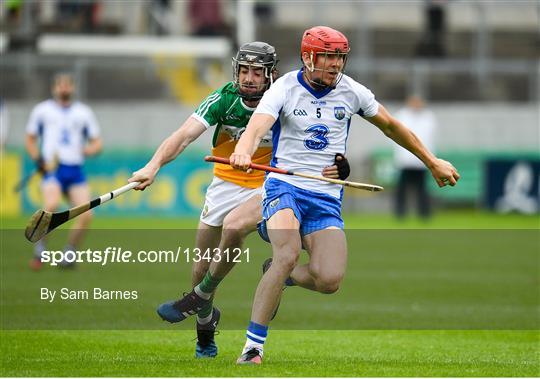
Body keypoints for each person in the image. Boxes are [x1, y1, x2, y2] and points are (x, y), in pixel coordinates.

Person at [227, 26, 460, 364]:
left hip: (325, 197)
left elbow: (392, 126)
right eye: (328, 56)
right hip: (284, 187)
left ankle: (277, 275)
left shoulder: (352, 92)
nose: (336, 64)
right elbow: (257, 127)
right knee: (288, 253)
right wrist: (244, 150)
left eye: (339, 57)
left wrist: (432, 161)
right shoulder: (284, 88)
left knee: (329, 279)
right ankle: (253, 348)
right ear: (308, 57)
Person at [127, 41, 350, 358]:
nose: (248, 78)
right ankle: (205, 328)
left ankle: (237, 288)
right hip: (224, 183)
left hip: (270, 184)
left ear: (270, 75)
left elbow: (321, 136)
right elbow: (184, 135)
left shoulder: (288, 97)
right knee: (202, 263)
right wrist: (153, 166)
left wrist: (340, 164)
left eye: (256, 72)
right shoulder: (224, 98)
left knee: (236, 228)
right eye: (243, 70)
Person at [25, 73, 102, 270]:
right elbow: (30, 139)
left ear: (73, 88)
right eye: (61, 85)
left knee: (87, 213)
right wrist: (39, 160)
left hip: (75, 169)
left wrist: (87, 150)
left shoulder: (83, 112)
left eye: (68, 85)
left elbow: (96, 144)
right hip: (53, 169)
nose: (64, 89)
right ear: (54, 88)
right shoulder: (42, 111)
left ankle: (69, 253)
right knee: (51, 205)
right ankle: (40, 249)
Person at [393, 95, 437, 219]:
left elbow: (430, 138)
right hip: (405, 161)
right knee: (402, 190)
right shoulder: (401, 116)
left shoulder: (428, 117)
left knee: (422, 190)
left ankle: (424, 213)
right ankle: (400, 213)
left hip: (421, 162)